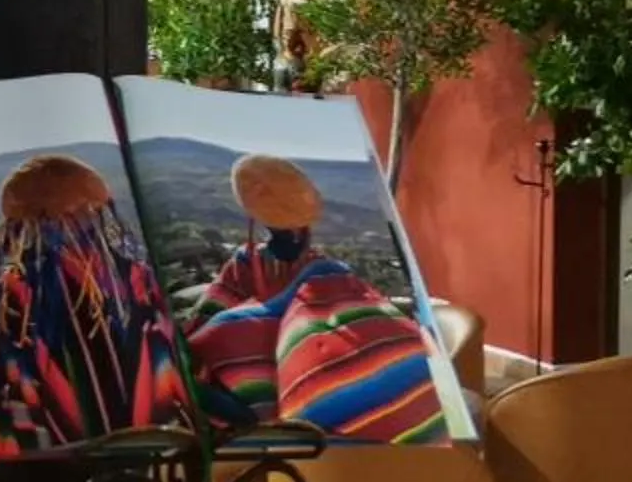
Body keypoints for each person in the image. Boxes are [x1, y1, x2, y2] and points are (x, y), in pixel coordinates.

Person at [0, 154, 193, 460]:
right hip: (155, 458)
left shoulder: (18, 293)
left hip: (58, 468)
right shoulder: (140, 281)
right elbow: (178, 369)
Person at [182, 154, 446, 443]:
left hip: (303, 359)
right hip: (261, 366)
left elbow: (347, 307)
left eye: (293, 229)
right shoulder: (247, 262)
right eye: (283, 229)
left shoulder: (321, 268)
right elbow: (215, 319)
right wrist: (255, 322)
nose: (293, 236)